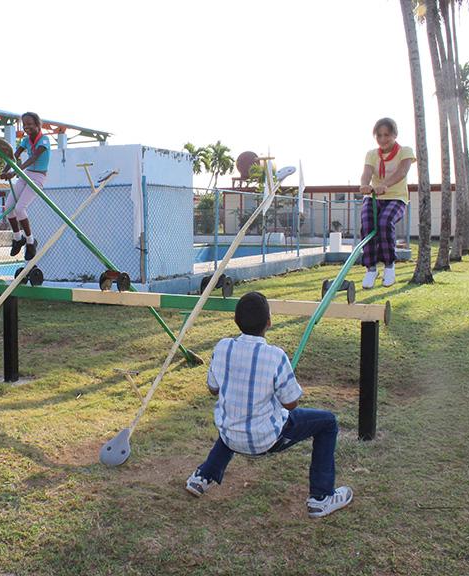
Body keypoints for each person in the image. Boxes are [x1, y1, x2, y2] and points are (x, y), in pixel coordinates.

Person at [185, 291, 353, 518]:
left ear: (235, 320)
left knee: (237, 416)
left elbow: (213, 389)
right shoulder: (276, 355)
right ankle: (321, 498)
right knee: (328, 423)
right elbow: (291, 404)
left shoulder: (222, 347)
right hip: (267, 440)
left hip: (229, 435)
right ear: (269, 323)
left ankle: (203, 476)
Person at [358, 118, 415, 289]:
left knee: (384, 222)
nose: (383, 139)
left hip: (396, 198)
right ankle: (371, 268)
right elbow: (366, 172)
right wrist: (364, 185)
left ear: (394, 135)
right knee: (367, 224)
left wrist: (385, 185)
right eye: (379, 135)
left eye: (387, 135)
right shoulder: (372, 154)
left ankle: (389, 265)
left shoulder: (405, 151)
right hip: (375, 197)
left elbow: (402, 171)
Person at [0, 112, 50, 262]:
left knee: (20, 208)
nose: (26, 127)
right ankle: (17, 238)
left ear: (37, 124)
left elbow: (34, 157)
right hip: (25, 173)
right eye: (24, 124)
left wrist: (15, 172)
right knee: (9, 207)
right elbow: (14, 156)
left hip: (38, 176)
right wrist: (5, 170)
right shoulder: (26, 141)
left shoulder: (44, 140)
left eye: (29, 124)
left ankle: (30, 241)